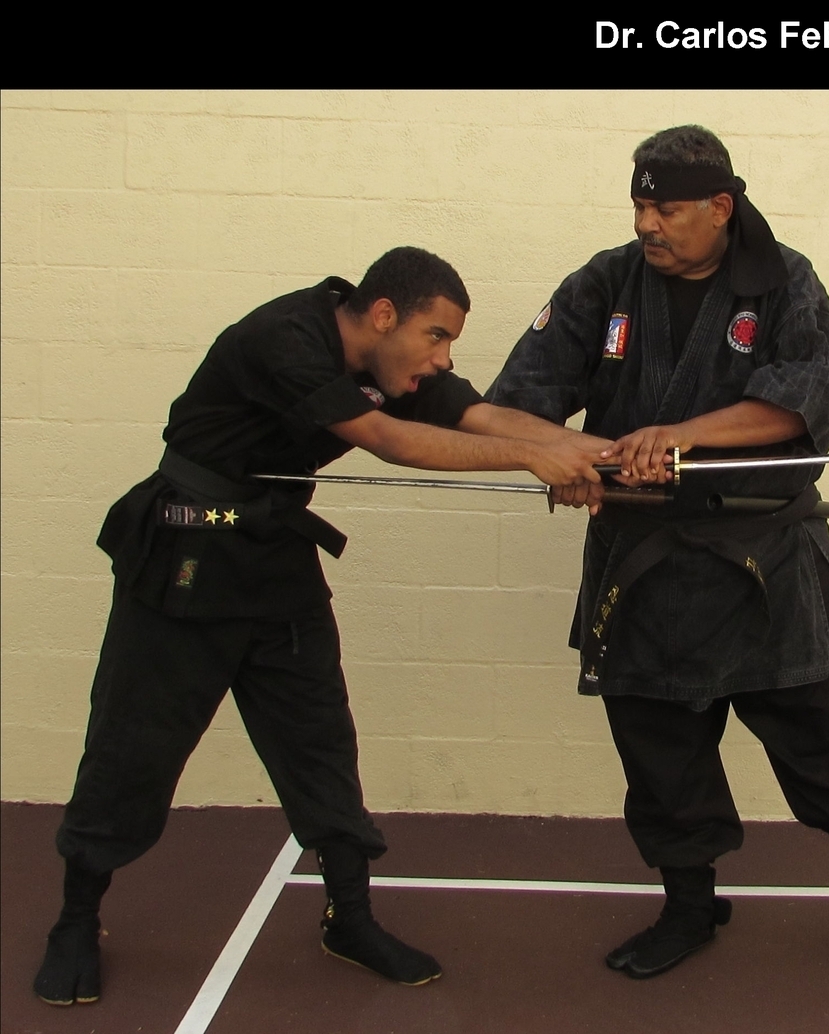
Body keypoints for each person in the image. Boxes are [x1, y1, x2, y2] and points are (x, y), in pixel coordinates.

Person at [34, 246, 611, 1006]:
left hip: (274, 561)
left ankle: (350, 918)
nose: (443, 358)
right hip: (184, 559)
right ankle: (76, 920)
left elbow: (481, 416)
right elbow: (392, 441)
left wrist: (607, 455)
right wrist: (532, 463)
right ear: (383, 315)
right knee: (131, 747)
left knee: (319, 743)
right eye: (436, 336)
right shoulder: (287, 339)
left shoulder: (394, 366)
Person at [488, 126, 829, 990]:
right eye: (639, 206)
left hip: (762, 559)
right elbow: (517, 401)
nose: (646, 224)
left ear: (719, 207)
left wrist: (680, 436)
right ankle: (688, 907)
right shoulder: (604, 283)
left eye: (666, 208)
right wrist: (553, 455)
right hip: (641, 561)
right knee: (660, 752)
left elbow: (799, 403)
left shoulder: (784, 282)